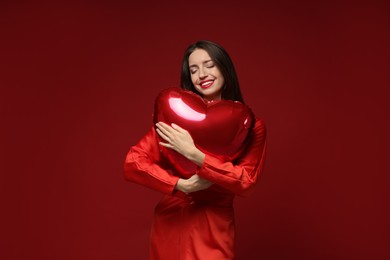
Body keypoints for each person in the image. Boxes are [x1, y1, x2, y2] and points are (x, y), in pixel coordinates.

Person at [124, 40, 267, 260]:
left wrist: (196, 155)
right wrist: (181, 184)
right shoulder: (175, 115)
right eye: (193, 69)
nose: (202, 74)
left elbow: (246, 181)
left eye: (209, 65)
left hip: (213, 224)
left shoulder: (250, 125)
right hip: (171, 219)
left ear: (224, 67)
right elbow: (134, 161)